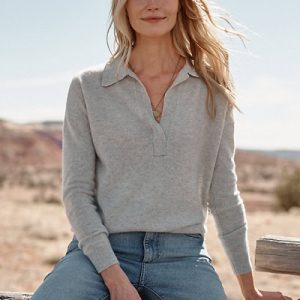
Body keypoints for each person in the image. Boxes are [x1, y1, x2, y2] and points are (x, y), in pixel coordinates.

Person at [31, 1, 293, 299]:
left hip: (183, 259)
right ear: (124, 7)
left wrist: (250, 291)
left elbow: (224, 194)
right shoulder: (88, 87)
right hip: (97, 258)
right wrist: (115, 279)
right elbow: (77, 193)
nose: (152, 4)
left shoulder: (212, 90)